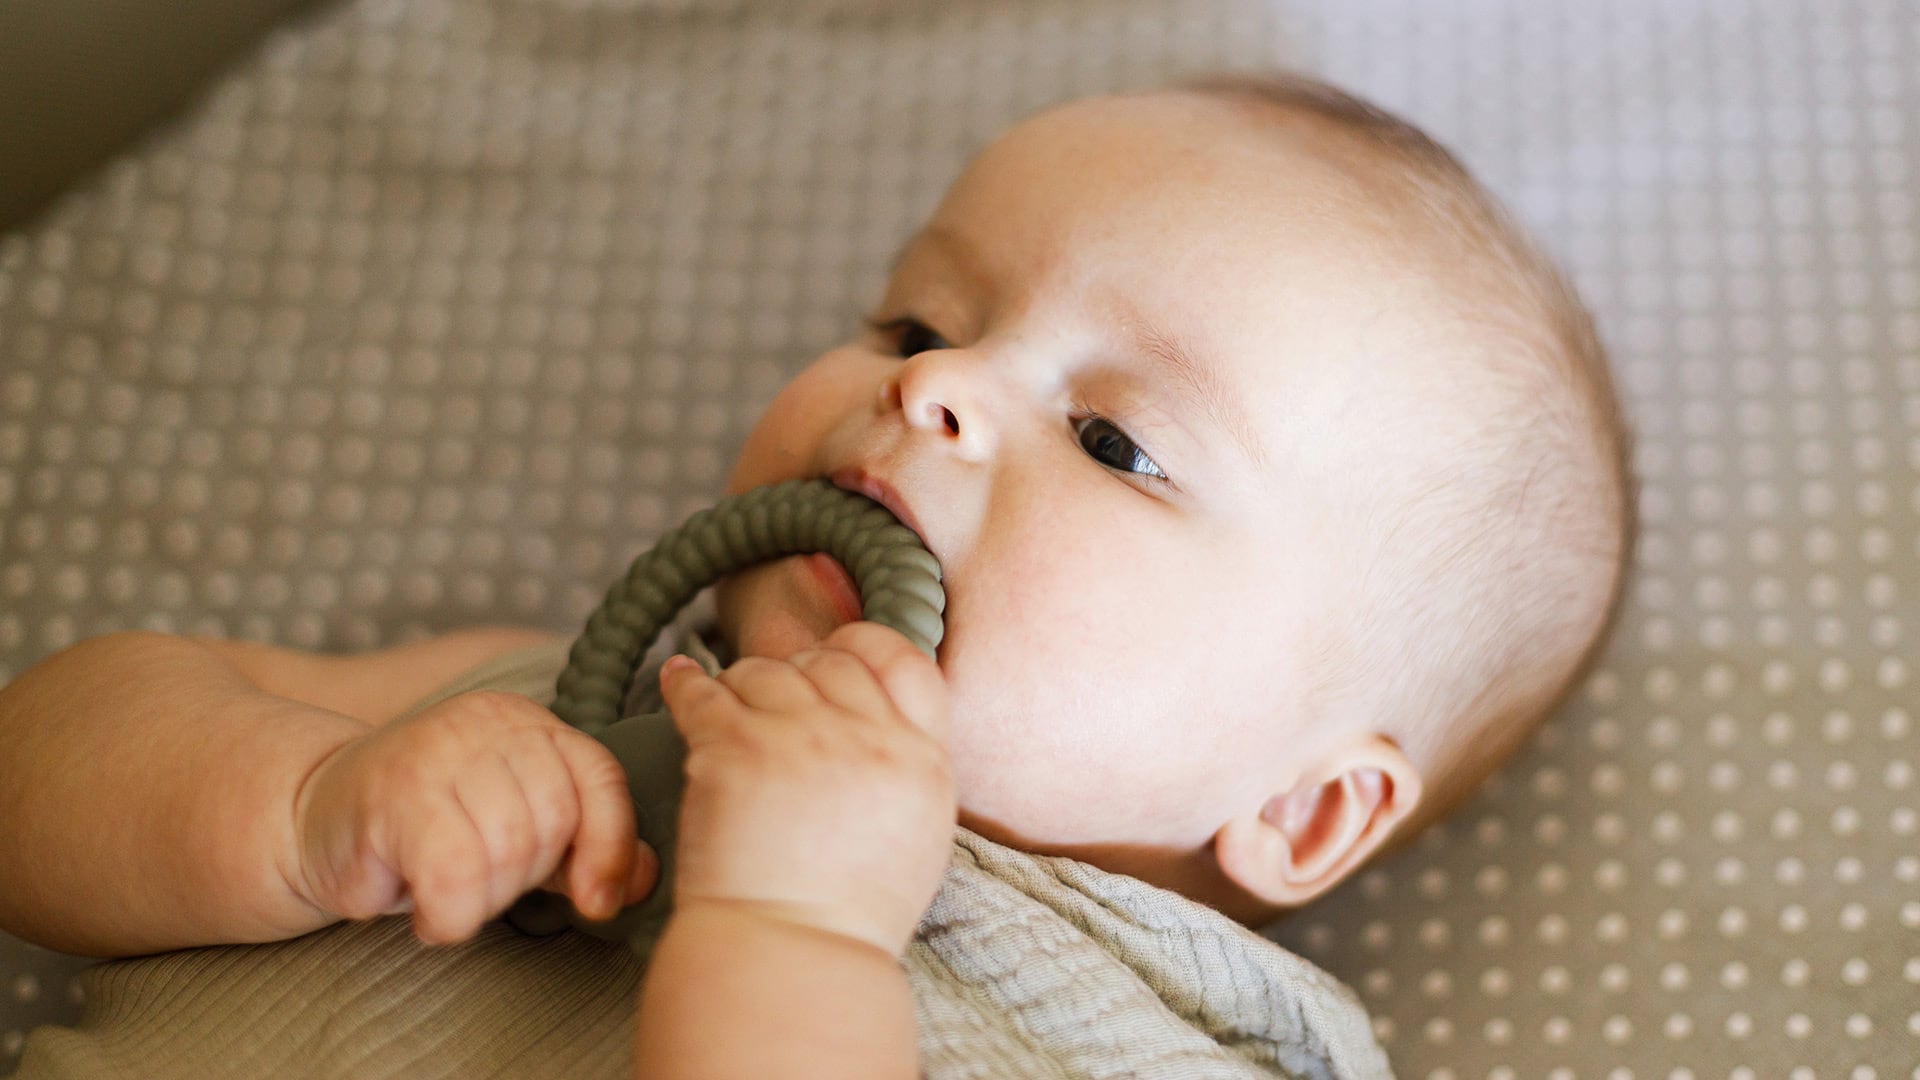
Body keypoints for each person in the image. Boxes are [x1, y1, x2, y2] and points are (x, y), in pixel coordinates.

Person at [0, 72, 1631, 1078]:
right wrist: (300, 808)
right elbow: (31, 793)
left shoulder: (1178, 1047)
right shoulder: (545, 704)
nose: (938, 388)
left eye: (1114, 442)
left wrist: (796, 934)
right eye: (921, 323)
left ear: (1307, 810)